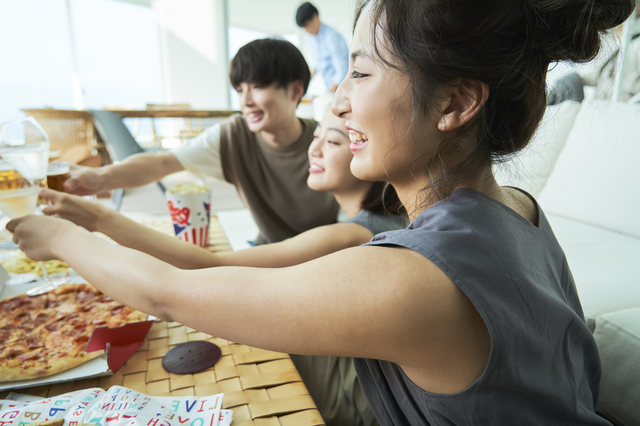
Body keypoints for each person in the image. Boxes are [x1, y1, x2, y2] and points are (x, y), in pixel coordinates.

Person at [9, 0, 634, 424]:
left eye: (358, 74)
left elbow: (172, 294)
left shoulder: (414, 280)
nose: (334, 106)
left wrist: (61, 235)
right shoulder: (517, 210)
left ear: (455, 103)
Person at [37, 109, 406, 426]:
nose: (313, 148)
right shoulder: (371, 218)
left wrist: (97, 220)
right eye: (317, 135)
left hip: (358, 398)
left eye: (336, 141)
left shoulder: (352, 233)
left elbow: (206, 266)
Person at [63, 38, 338, 245]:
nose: (245, 100)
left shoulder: (331, 141)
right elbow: (161, 163)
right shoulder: (234, 135)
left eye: (257, 86)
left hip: (327, 263)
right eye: (240, 89)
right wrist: (98, 178)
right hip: (269, 256)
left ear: (296, 90)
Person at [296, 2, 349, 94]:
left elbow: (343, 70)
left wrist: (327, 94)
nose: (306, 30)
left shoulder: (332, 37)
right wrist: (304, 81)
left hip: (343, 89)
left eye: (307, 25)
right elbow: (318, 64)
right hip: (331, 89)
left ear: (315, 17)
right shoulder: (311, 38)